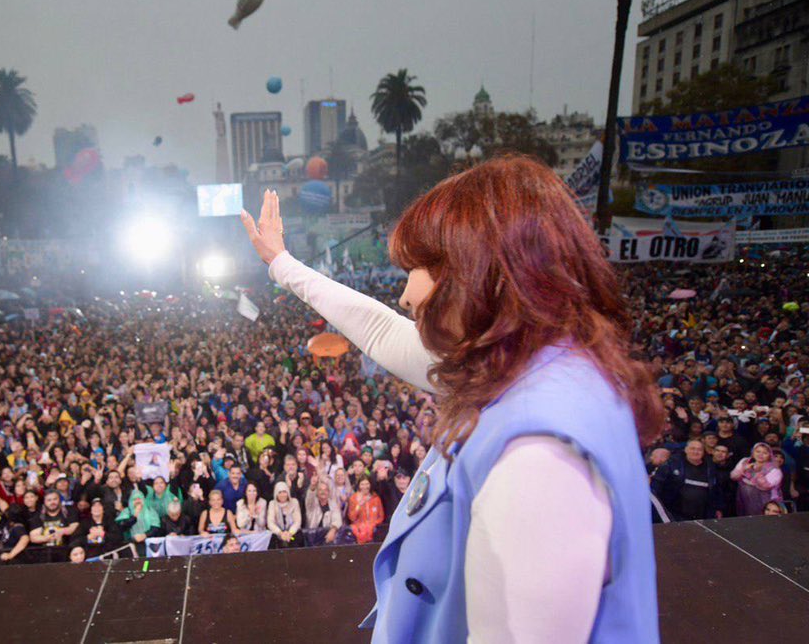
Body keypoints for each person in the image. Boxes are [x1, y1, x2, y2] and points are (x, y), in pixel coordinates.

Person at [241, 157, 662, 642]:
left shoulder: (538, 457)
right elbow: (380, 330)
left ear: (484, 271)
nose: (406, 294)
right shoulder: (532, 368)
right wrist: (282, 264)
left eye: (421, 267)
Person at [650, 440, 724, 521]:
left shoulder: (710, 468)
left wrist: (718, 508)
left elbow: (717, 489)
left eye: (699, 449)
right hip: (675, 515)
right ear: (686, 450)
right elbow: (657, 487)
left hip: (703, 516)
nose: (696, 452)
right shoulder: (671, 464)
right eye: (692, 448)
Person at [729, 442, 784, 516]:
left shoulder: (774, 469)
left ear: (769, 455)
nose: (760, 455)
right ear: (753, 452)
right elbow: (733, 477)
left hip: (765, 501)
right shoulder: (745, 461)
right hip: (744, 498)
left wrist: (758, 473)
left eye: (764, 453)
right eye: (757, 451)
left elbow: (765, 487)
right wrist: (743, 469)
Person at [347, 476, 385, 544]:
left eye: (367, 484)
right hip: (359, 531)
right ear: (359, 486)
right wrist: (358, 506)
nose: (365, 486)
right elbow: (352, 518)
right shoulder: (353, 499)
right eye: (362, 484)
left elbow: (381, 516)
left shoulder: (376, 498)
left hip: (374, 530)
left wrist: (373, 524)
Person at [266, 480, 302, 548]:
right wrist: (280, 533)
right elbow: (270, 523)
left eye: (284, 492)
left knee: (297, 539)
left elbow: (297, 521)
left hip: (292, 535)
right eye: (280, 492)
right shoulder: (272, 504)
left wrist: (290, 533)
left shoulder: (294, 502)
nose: (282, 495)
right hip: (278, 534)